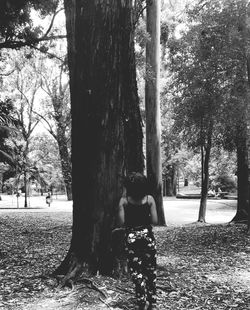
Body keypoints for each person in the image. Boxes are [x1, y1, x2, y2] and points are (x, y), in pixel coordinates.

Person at [117, 172, 158, 310]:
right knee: (150, 270)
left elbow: (121, 222)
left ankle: (141, 302)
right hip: (148, 239)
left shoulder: (124, 201)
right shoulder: (149, 199)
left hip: (131, 240)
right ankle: (152, 301)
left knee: (136, 271)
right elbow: (154, 221)